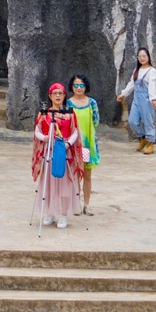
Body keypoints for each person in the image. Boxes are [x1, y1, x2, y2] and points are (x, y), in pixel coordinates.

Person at [32, 82, 83, 229]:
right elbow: (37, 131)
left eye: (60, 93)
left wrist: (68, 144)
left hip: (64, 151)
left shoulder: (70, 113)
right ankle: (50, 212)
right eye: (55, 93)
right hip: (49, 150)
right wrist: (44, 138)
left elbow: (75, 132)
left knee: (65, 184)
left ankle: (64, 215)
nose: (58, 96)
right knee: (49, 182)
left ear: (64, 95)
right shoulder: (44, 113)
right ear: (50, 96)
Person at [67, 75, 100, 214]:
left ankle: (87, 204)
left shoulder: (91, 103)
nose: (79, 88)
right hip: (73, 144)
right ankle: (76, 204)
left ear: (86, 86)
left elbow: (96, 121)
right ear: (72, 87)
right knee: (74, 175)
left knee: (87, 174)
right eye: (76, 85)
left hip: (87, 145)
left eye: (81, 85)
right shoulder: (68, 103)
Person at [118, 48, 156, 154]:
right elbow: (131, 84)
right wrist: (123, 94)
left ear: (148, 57)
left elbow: (152, 86)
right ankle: (142, 138)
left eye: (144, 56)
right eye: (140, 56)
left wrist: (153, 98)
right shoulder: (136, 70)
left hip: (147, 100)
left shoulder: (152, 71)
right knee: (132, 121)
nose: (142, 58)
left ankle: (150, 144)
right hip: (136, 100)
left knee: (148, 122)